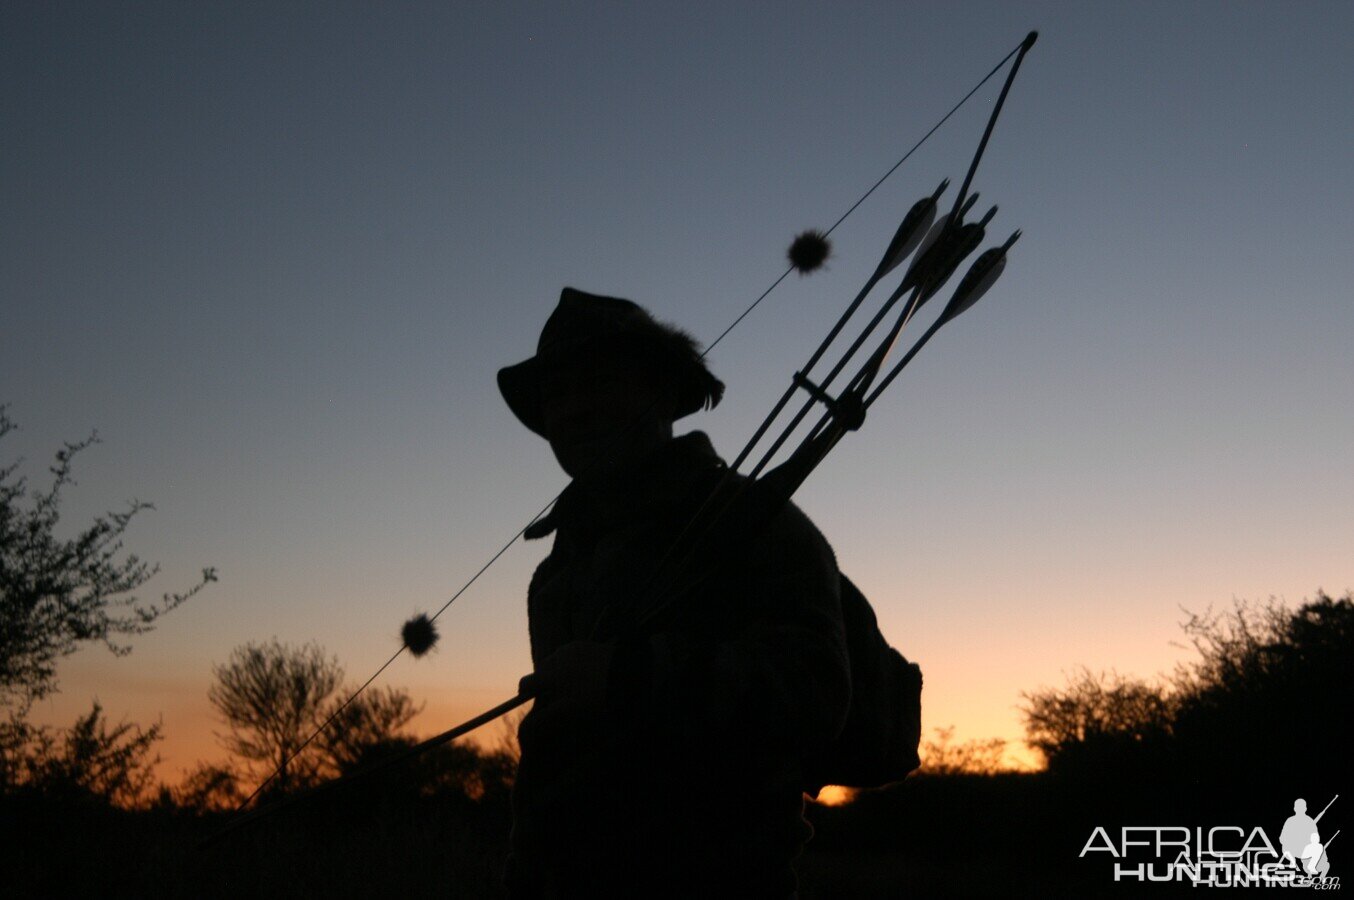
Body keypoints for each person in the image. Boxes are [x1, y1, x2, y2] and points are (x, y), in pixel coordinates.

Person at [497, 288, 852, 898]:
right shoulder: (553, 577)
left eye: (602, 383)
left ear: (662, 392)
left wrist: (626, 676)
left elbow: (816, 693)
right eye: (558, 394)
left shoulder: (751, 521)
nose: (576, 409)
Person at [1281, 799, 1320, 868]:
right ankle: (1292, 861)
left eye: (1301, 807)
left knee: (1319, 847)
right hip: (1291, 850)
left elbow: (1316, 838)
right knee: (1285, 847)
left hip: (1306, 851)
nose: (1300, 809)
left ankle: (1311, 866)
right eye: (1298, 807)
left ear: (1305, 809)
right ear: (1295, 808)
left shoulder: (1309, 821)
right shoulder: (1290, 821)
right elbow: (1282, 838)